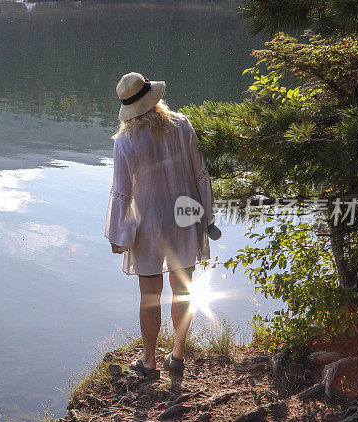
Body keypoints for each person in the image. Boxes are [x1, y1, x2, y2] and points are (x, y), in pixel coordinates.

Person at [105, 72, 215, 379]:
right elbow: (200, 173)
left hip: (149, 225)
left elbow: (122, 193)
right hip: (186, 217)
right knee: (183, 289)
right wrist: (208, 217)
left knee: (150, 294)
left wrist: (118, 234)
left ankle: (150, 360)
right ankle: (177, 354)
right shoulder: (182, 125)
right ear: (153, 98)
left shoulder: (125, 142)